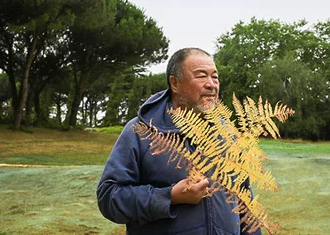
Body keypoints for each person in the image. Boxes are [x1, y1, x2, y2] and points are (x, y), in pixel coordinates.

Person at [96, 47, 260, 235]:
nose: (211, 84)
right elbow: (109, 198)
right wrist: (169, 196)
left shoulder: (228, 134)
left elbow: (245, 201)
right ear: (175, 83)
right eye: (201, 76)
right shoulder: (140, 132)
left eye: (215, 77)